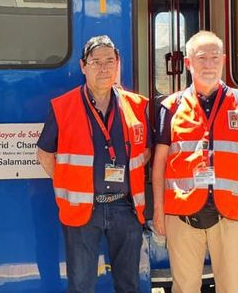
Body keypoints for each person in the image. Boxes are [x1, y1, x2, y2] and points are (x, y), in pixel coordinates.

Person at [151, 30, 238, 293]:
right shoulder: (170, 107)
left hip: (232, 216)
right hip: (182, 217)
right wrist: (159, 211)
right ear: (189, 63)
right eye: (201, 58)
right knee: (184, 288)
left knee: (231, 288)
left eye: (215, 57)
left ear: (224, 60)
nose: (209, 64)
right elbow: (159, 164)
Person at [36, 35, 151, 293]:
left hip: (125, 208)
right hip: (83, 210)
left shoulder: (137, 106)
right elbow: (44, 154)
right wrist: (68, 181)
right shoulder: (63, 107)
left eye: (110, 61)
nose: (103, 67)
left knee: (129, 284)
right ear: (83, 66)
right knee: (81, 285)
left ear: (117, 64)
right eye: (96, 61)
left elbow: (146, 152)